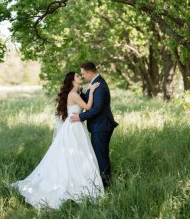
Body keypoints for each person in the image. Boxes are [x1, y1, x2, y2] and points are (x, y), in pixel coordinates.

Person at [11, 71, 104, 209]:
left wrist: (88, 90)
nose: (80, 77)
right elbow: (88, 107)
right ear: (72, 81)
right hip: (74, 128)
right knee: (74, 155)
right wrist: (92, 91)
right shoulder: (73, 94)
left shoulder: (75, 93)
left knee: (77, 155)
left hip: (75, 126)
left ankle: (77, 178)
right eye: (77, 76)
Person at [71, 62, 118, 187]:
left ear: (90, 73)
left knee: (101, 156)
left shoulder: (100, 86)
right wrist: (77, 92)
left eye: (83, 74)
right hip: (98, 126)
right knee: (98, 155)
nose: (83, 76)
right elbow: (88, 101)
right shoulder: (95, 83)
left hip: (102, 126)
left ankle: (105, 185)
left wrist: (80, 117)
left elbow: (96, 109)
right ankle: (101, 183)